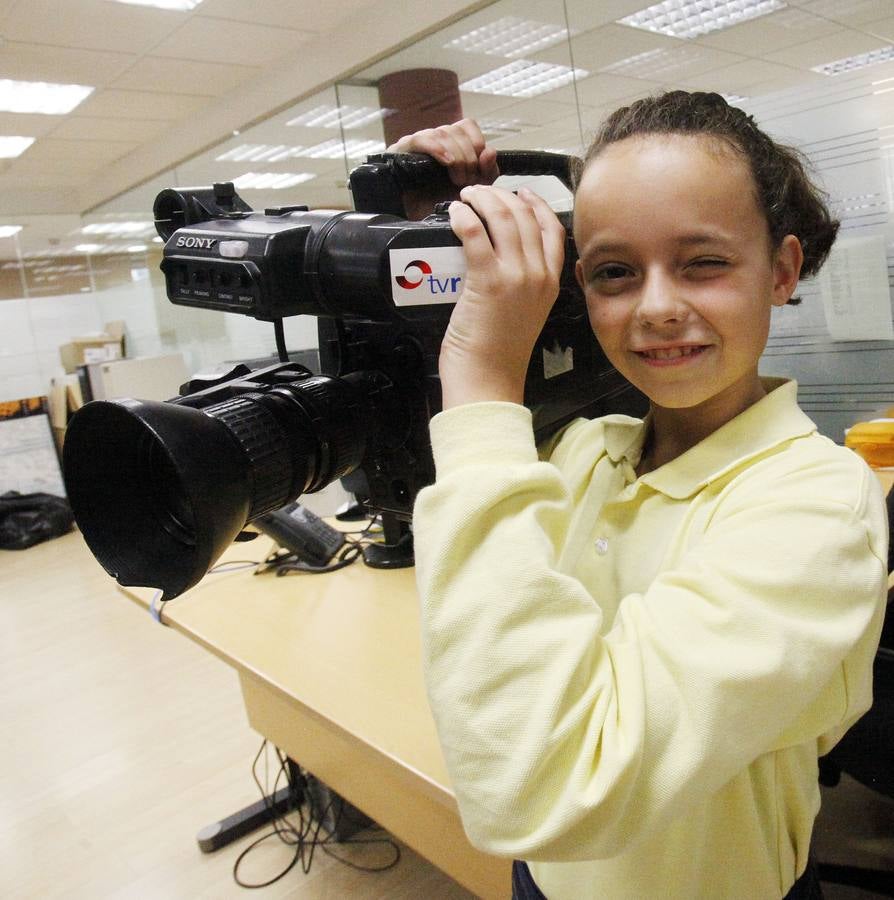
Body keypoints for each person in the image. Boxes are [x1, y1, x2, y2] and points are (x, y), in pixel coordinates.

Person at [390, 92, 890, 899]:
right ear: (579, 290)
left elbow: (544, 786)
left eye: (703, 262)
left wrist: (484, 371)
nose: (657, 308)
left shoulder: (818, 503)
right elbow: (454, 507)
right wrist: (427, 235)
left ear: (782, 271)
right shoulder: (582, 449)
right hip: (547, 881)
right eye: (615, 273)